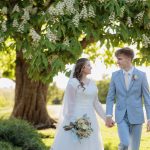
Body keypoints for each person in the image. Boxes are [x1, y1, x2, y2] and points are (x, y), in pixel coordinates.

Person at [50, 58, 106, 150]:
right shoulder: (73, 83)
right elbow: (70, 104)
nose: (91, 67)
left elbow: (96, 103)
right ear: (82, 68)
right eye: (88, 65)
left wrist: (105, 118)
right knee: (75, 144)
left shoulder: (93, 83)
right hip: (76, 118)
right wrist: (73, 123)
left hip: (91, 118)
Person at [106, 47, 150, 150]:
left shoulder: (141, 75)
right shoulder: (115, 76)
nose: (117, 62)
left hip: (137, 116)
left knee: (134, 148)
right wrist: (108, 115)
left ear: (129, 59)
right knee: (125, 143)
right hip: (121, 116)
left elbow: (147, 99)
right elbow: (110, 96)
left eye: (120, 59)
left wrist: (149, 118)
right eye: (117, 59)